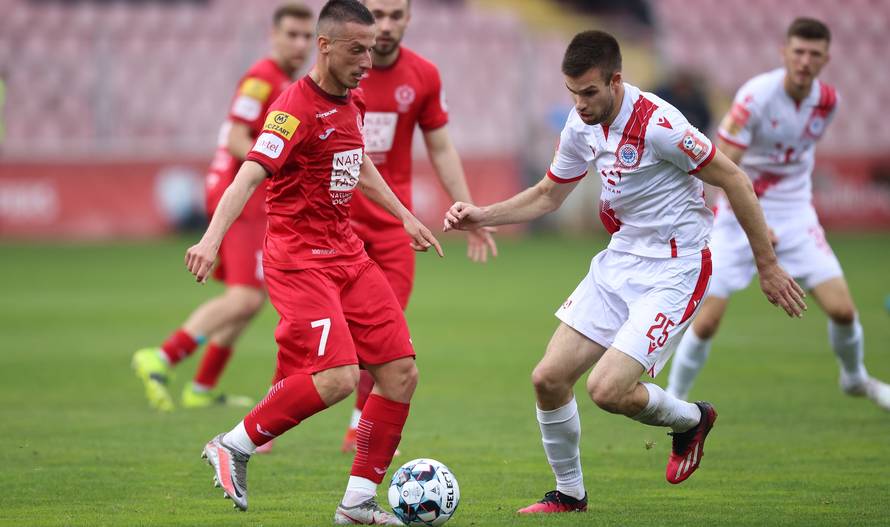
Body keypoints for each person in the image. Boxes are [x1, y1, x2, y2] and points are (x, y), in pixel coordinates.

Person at [444, 30, 806, 514]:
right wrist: (482, 215)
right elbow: (549, 195)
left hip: (676, 267)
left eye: (590, 92)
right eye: (572, 93)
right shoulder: (580, 124)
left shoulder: (660, 125)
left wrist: (768, 265)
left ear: (616, 81)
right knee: (548, 378)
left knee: (607, 390)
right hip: (620, 259)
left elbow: (735, 180)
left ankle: (691, 419)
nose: (580, 104)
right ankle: (569, 495)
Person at [186, 1, 442, 523]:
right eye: (357, 50)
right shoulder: (292, 109)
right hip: (299, 260)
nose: (368, 60)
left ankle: (357, 503)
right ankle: (233, 445)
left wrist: (404, 217)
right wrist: (211, 240)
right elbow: (248, 174)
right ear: (324, 47)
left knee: (400, 373)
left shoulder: (353, 99)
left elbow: (358, 163)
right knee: (339, 377)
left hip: (348, 254)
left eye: (370, 50)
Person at [666, 18, 890, 409]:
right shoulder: (755, 99)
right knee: (707, 320)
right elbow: (722, 167)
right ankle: (674, 400)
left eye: (814, 54)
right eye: (798, 51)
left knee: (842, 310)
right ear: (784, 53)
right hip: (739, 213)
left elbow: (799, 153)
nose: (805, 61)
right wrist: (756, 222)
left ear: (826, 60)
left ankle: (855, 378)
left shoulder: (828, 102)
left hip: (795, 215)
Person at [132, 3, 315, 411]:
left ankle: (201, 387)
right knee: (245, 297)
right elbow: (235, 138)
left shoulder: (284, 81)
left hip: (251, 197)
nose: (300, 44)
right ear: (273, 36)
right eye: (292, 35)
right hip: (240, 196)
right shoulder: (261, 79)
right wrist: (279, 164)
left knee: (252, 297)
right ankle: (161, 357)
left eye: (306, 36)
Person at [338, 0, 497, 453]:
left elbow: (441, 148)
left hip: (395, 226)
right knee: (323, 327)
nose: (386, 25)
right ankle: (274, 411)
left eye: (395, 15)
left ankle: (359, 423)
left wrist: (467, 208)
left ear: (409, 18)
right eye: (377, 15)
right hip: (337, 223)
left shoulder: (423, 75)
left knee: (385, 333)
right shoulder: (342, 71)